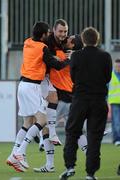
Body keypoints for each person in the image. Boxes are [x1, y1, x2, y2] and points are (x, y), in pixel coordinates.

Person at [6, 21, 70, 172]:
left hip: (22, 85)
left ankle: (12, 155)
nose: (49, 35)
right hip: (32, 87)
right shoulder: (43, 48)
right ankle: (20, 152)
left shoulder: (27, 42)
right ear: (43, 35)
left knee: (28, 121)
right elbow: (57, 65)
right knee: (42, 121)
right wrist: (68, 59)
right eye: (47, 33)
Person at [59, 27, 112, 180]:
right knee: (94, 136)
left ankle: (69, 166)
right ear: (97, 40)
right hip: (99, 100)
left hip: (80, 100)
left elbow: (73, 77)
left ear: (82, 40)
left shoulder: (76, 57)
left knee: (72, 132)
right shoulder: (106, 56)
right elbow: (107, 78)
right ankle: (91, 173)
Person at [33, 24, 87, 173]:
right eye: (62, 32)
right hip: (68, 95)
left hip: (62, 96)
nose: (65, 37)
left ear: (73, 44)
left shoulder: (68, 55)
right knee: (75, 129)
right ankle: (88, 153)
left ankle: (48, 144)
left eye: (68, 37)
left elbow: (54, 63)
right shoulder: (71, 54)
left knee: (44, 124)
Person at [108, 59, 120, 146]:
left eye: (119, 66)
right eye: (116, 66)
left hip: (114, 101)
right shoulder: (110, 75)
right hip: (114, 101)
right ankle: (117, 139)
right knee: (116, 121)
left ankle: (116, 138)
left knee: (116, 121)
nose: (118, 67)